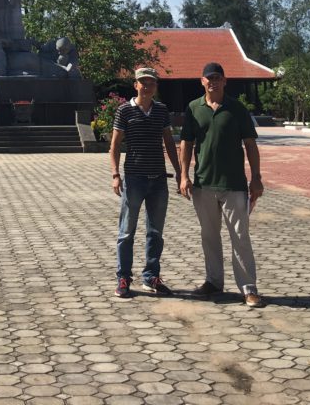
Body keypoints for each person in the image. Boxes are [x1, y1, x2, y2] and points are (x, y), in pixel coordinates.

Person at [179, 62, 265, 308]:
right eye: (209, 78)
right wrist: (184, 175)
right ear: (202, 81)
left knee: (240, 236)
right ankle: (213, 281)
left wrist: (256, 178)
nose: (213, 82)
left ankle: (248, 288)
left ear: (225, 81)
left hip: (234, 183)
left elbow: (250, 144)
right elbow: (186, 143)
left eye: (217, 78)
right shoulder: (194, 108)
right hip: (203, 183)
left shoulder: (236, 108)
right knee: (209, 236)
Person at [110, 66, 181, 298]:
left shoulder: (161, 111)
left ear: (155, 86)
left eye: (151, 82)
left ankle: (151, 276)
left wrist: (179, 171)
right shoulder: (124, 111)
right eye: (143, 82)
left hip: (158, 180)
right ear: (136, 85)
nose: (147, 86)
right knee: (126, 232)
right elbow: (115, 146)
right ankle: (123, 278)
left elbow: (169, 143)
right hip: (134, 179)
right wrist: (115, 174)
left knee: (156, 232)